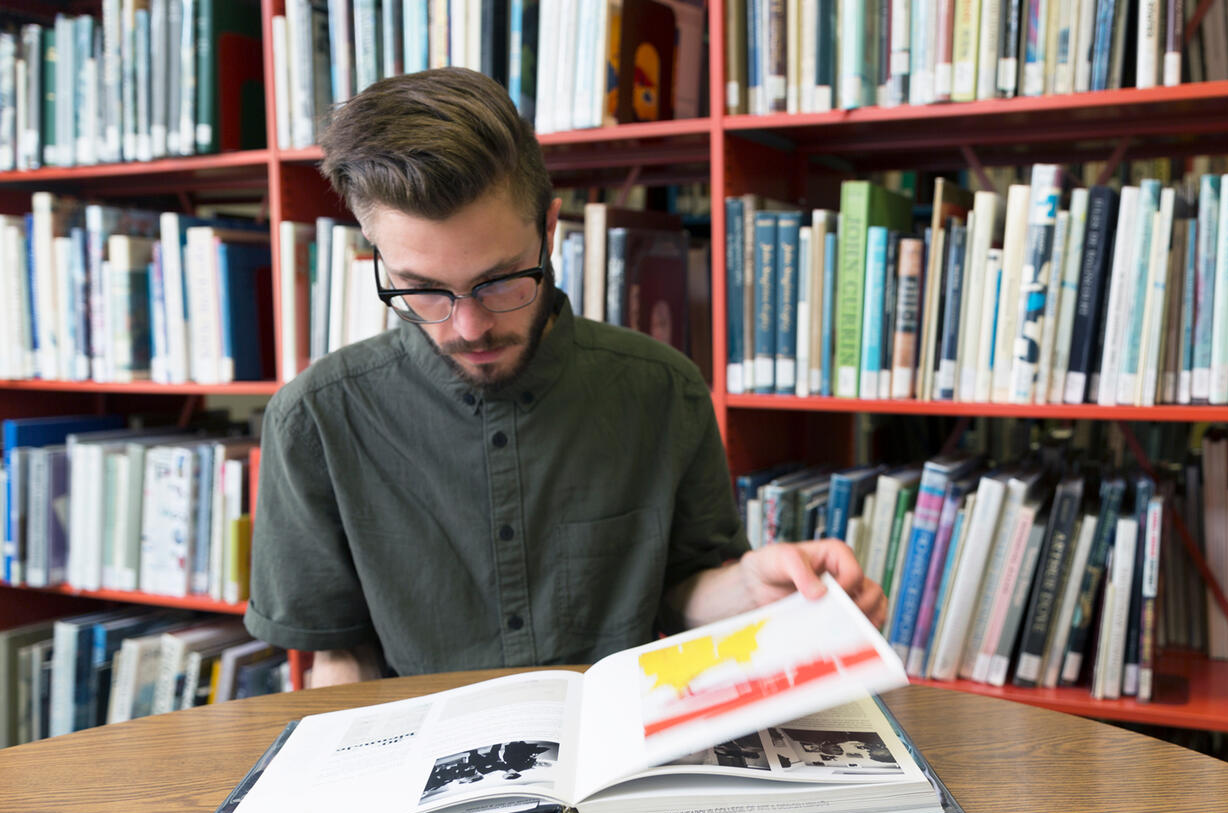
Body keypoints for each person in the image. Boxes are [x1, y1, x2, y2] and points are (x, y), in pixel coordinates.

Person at [245, 68, 885, 686]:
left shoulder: (663, 389)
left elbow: (680, 596)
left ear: (549, 231)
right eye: (423, 290)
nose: (468, 327)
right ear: (376, 256)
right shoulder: (315, 419)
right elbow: (339, 659)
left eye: (498, 281)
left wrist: (752, 586)